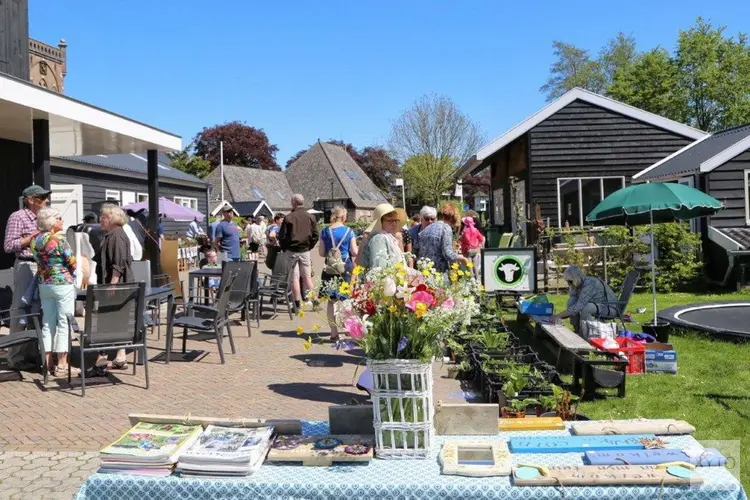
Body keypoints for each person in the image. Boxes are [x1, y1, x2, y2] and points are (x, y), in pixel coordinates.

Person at [3, 184, 50, 370]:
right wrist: (32, 237)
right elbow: (8, 245)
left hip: (42, 266)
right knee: (20, 309)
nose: (47, 200)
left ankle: (31, 354)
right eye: (42, 197)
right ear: (30, 200)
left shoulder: (44, 217)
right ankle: (15, 357)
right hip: (25, 264)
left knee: (37, 310)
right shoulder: (18, 217)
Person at [30, 208, 80, 377]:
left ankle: (47, 363)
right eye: (59, 218)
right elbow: (72, 262)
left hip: (44, 284)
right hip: (62, 283)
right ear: (52, 221)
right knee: (64, 322)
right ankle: (62, 365)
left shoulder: (35, 240)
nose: (62, 221)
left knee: (47, 323)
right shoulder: (59, 240)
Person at [99, 204, 135, 370]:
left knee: (112, 318)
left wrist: (113, 284)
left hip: (117, 285)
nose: (101, 219)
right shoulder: (111, 234)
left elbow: (119, 263)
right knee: (116, 318)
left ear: (112, 218)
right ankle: (119, 356)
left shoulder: (117, 235)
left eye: (104, 217)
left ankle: (106, 356)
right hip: (114, 284)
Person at [318, 206, 358, 340]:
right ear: (344, 217)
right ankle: (347, 328)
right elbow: (354, 251)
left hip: (330, 267)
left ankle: (333, 332)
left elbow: (321, 253)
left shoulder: (325, 231)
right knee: (346, 299)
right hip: (345, 267)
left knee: (332, 300)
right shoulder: (349, 231)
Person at [549, 265, 619, 335]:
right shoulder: (578, 284)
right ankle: (577, 330)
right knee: (571, 302)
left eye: (570, 281)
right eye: (567, 281)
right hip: (598, 306)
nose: (568, 284)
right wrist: (559, 316)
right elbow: (572, 304)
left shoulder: (590, 283)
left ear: (576, 278)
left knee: (587, 308)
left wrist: (558, 316)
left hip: (610, 308)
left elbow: (578, 306)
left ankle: (586, 333)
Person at [279, 194, 319, 310]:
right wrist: (309, 246)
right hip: (305, 250)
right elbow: (316, 235)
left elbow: (282, 236)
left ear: (293, 202)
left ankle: (296, 304)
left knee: (294, 277)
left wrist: (285, 248)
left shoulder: (289, 217)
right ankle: (315, 301)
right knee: (307, 277)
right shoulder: (311, 217)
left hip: (291, 250)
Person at [416, 202, 468, 272]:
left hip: (425, 270)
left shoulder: (426, 229)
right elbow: (447, 253)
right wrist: (461, 258)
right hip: (439, 271)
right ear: (452, 217)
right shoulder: (445, 228)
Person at [360, 203, 407, 270]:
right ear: (380, 222)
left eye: (395, 220)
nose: (394, 223)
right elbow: (379, 270)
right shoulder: (379, 239)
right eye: (390, 220)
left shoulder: (389, 237)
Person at [460, 215, 485, 280]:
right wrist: (477, 245)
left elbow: (466, 240)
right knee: (474, 264)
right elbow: (481, 239)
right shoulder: (476, 230)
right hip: (475, 249)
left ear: (466, 224)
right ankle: (478, 279)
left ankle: (472, 279)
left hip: (469, 249)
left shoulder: (465, 231)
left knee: (469, 265)